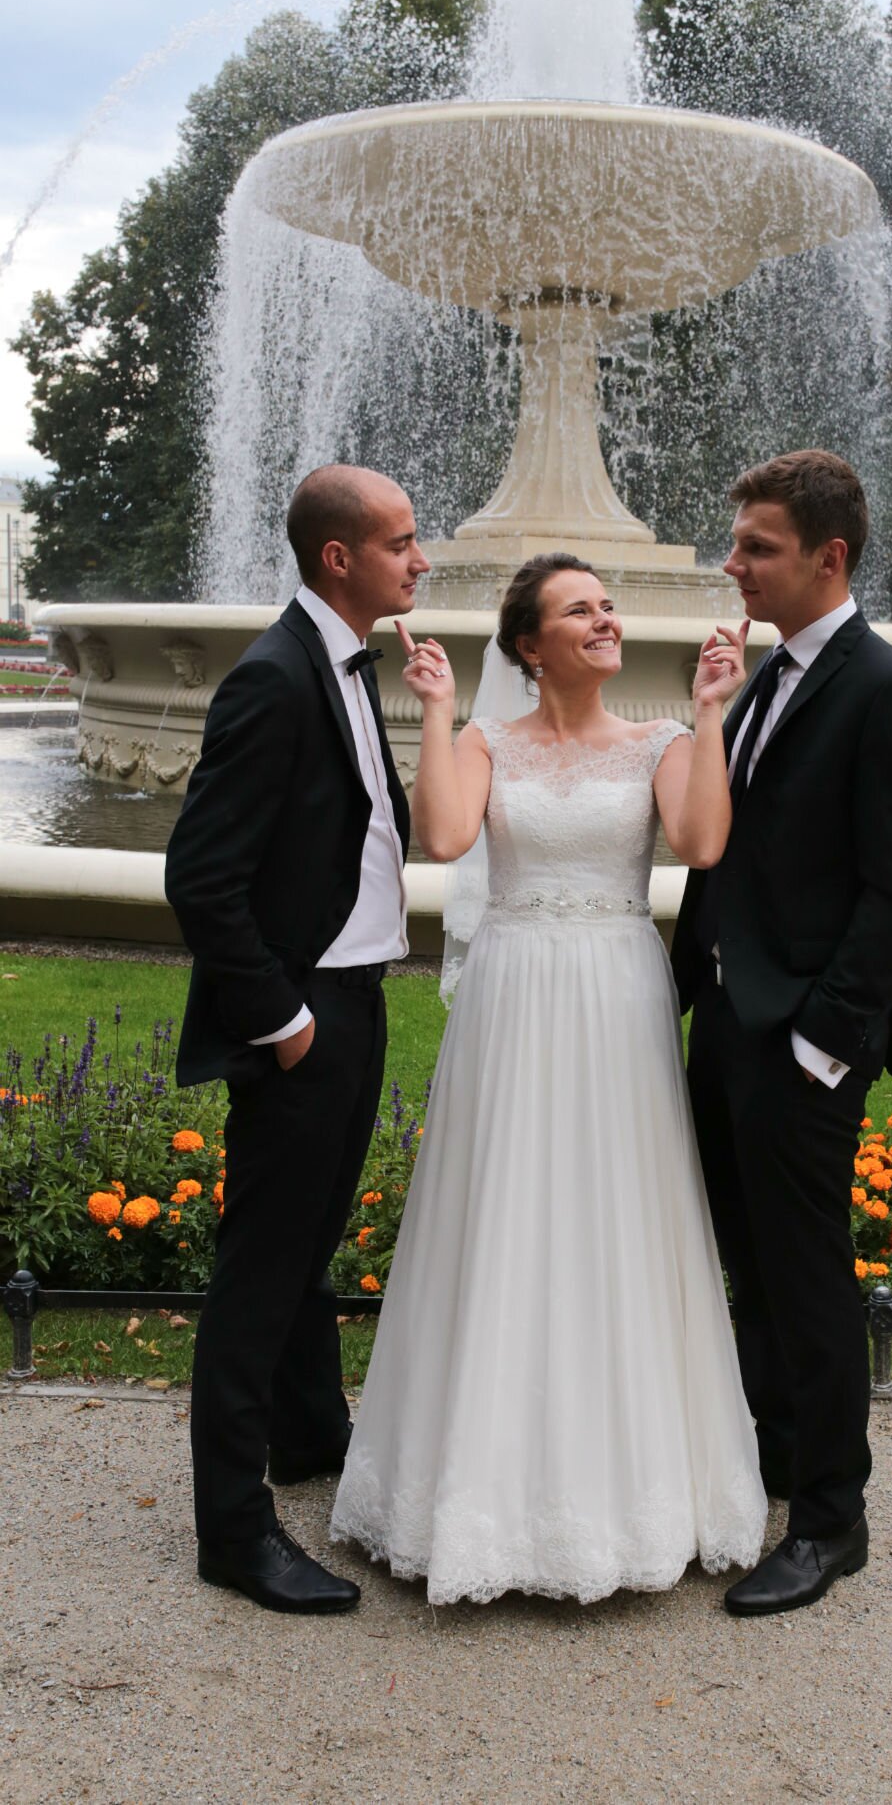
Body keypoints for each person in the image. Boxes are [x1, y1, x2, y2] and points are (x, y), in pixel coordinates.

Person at [330, 553, 768, 1604]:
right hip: (515, 994)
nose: (605, 620)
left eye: (607, 607)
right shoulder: (486, 742)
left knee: (620, 1210)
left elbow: (703, 841)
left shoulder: (661, 741)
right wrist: (439, 711)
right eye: (580, 610)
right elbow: (444, 837)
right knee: (505, 1208)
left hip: (617, 995)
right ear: (530, 645)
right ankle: (475, 1495)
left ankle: (636, 1492)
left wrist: (712, 711)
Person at [671, 450, 892, 1618]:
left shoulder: (887, 689)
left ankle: (832, 1521)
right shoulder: (765, 678)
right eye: (737, 543)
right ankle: (775, 1463)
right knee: (748, 1265)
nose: (733, 564)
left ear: (828, 557)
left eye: (757, 548)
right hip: (726, 1026)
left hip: (801, 1048)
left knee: (807, 1278)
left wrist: (820, 1045)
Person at [165, 464, 430, 1615]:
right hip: (304, 1010)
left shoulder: (342, 662)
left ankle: (310, 1436)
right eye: (401, 542)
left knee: (311, 1235)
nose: (419, 559)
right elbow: (200, 876)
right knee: (261, 1271)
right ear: (339, 557)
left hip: (354, 994)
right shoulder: (275, 678)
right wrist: (283, 1021)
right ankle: (233, 1531)